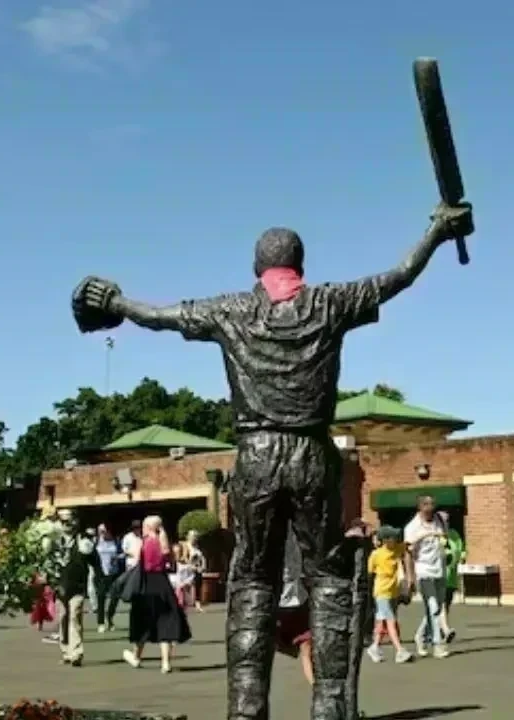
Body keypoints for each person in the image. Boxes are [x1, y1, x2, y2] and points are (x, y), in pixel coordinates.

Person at [71, 201, 473, 720]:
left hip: (256, 454)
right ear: (301, 264)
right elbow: (395, 279)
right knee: (328, 577)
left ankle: (246, 710)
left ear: (255, 268)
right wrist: (436, 233)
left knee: (252, 579)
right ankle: (329, 706)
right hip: (311, 451)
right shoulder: (330, 302)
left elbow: (162, 317)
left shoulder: (232, 309)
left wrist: (118, 301)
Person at [122, 516, 191, 673]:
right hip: (162, 584)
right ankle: (166, 663)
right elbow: (169, 560)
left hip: (146, 584)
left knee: (141, 621)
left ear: (148, 527)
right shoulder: (164, 543)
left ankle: (136, 657)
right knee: (164, 622)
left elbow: (137, 561)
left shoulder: (143, 542)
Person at [403, 495, 451, 658]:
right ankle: (438, 644)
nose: (430, 507)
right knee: (433, 607)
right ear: (420, 507)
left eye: (432, 504)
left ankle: (420, 636)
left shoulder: (440, 520)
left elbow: (445, 539)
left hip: (440, 568)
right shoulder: (412, 527)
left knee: (436, 607)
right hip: (423, 570)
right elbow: (408, 553)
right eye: (426, 504)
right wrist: (410, 577)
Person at [366, 527, 413, 664]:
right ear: (385, 540)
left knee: (382, 623)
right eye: (391, 538)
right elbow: (370, 573)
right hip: (382, 592)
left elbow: (409, 544)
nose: (394, 540)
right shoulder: (376, 554)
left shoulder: (397, 549)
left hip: (393, 592)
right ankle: (399, 651)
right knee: (391, 621)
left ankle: (374, 647)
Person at [58, 525, 102, 666]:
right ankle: (66, 650)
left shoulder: (84, 543)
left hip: (78, 586)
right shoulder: (54, 541)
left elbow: (96, 562)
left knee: (74, 616)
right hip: (59, 586)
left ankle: (76, 653)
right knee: (63, 617)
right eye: (64, 521)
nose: (66, 525)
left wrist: (99, 579)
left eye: (69, 521)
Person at [277, 526, 315, 684]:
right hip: (277, 603)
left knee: (307, 647)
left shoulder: (298, 532)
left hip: (297, 600)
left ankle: (315, 687)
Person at [439, 512, 464, 643]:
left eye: (447, 520)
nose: (445, 523)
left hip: (451, 577)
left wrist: (462, 557)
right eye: (443, 520)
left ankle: (438, 631)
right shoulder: (436, 536)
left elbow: (460, 550)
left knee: (445, 605)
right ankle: (445, 629)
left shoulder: (454, 535)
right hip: (439, 576)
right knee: (440, 604)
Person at [95, 524, 123, 632]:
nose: (102, 533)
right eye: (100, 531)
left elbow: (122, 553)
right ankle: (101, 622)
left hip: (114, 573)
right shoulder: (96, 541)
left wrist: (118, 557)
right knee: (101, 597)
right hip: (102, 574)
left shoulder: (115, 541)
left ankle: (110, 618)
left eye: (103, 531)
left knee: (115, 597)